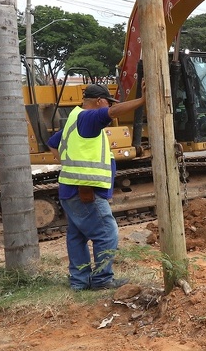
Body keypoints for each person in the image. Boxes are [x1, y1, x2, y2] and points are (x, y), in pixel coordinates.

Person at [47, 82, 146, 291]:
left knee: (77, 236)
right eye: (107, 103)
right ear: (100, 102)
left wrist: (67, 162)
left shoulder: (74, 119)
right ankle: (102, 279)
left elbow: (52, 143)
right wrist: (142, 101)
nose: (109, 107)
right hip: (85, 192)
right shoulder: (89, 118)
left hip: (70, 189)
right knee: (107, 233)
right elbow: (113, 111)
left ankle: (80, 281)